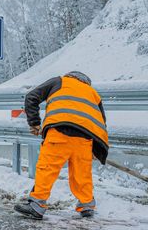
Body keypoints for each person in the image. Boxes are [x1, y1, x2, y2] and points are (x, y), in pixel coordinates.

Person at [14, 71, 109, 220]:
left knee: (47, 168)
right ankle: (87, 205)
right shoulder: (93, 93)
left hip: (59, 132)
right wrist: (98, 149)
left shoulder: (59, 81)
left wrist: (34, 123)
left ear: (70, 76)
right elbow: (101, 122)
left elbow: (31, 97)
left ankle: (37, 205)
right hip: (85, 138)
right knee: (81, 173)